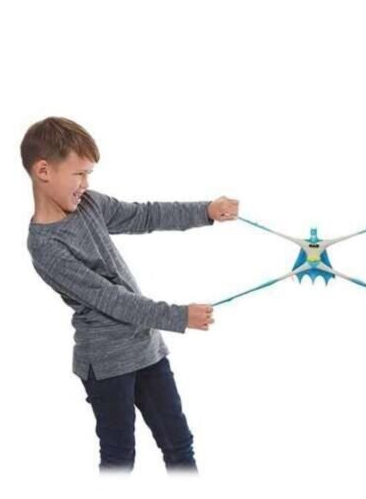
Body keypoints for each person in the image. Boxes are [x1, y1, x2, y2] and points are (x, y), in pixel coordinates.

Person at [22, 116, 238, 473]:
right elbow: (111, 299)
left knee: (179, 446)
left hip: (146, 349)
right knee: (119, 458)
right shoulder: (45, 246)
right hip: (106, 365)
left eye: (89, 174)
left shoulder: (90, 204)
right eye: (79, 174)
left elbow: (144, 215)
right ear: (43, 171)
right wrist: (178, 316)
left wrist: (206, 211)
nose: (86, 183)